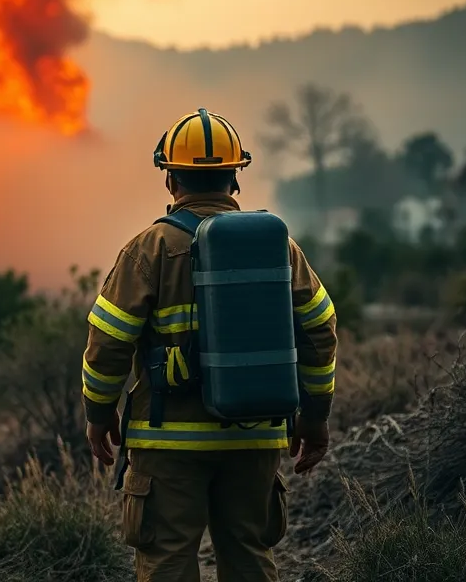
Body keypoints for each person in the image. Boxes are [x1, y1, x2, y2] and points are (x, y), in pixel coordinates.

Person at [81, 109, 338, 582]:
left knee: (167, 558)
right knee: (249, 555)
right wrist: (314, 416)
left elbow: (109, 341)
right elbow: (321, 328)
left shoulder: (150, 249)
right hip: (255, 435)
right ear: (235, 177)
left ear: (170, 178)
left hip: (168, 442)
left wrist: (99, 414)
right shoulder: (279, 247)